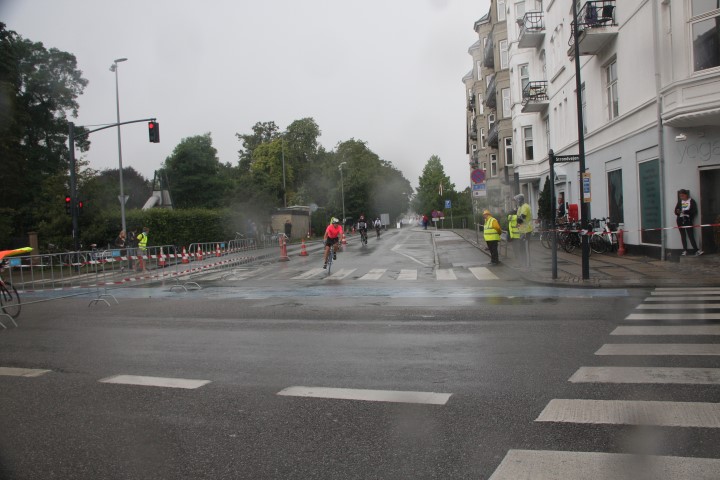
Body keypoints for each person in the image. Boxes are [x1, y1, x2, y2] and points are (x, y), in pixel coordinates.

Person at [674, 189, 702, 256]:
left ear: (686, 195)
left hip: (687, 220)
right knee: (683, 235)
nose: (681, 197)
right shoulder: (680, 201)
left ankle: (696, 250)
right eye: (680, 196)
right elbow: (675, 210)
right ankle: (685, 250)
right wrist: (677, 212)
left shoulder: (691, 201)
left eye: (682, 196)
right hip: (680, 220)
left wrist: (685, 212)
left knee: (691, 235)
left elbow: (694, 211)